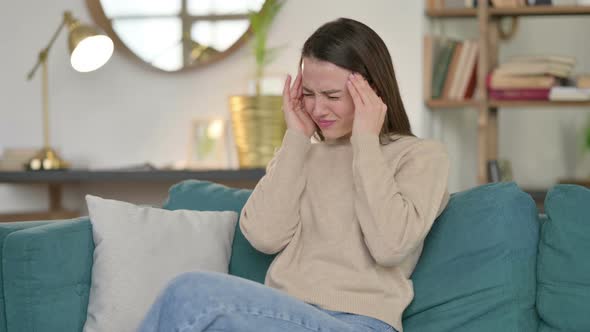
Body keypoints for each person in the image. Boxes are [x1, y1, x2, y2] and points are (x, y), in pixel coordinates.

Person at [138, 17, 450, 332]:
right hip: (283, 316)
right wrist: (297, 139)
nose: (316, 109)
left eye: (331, 95)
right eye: (310, 94)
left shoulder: (420, 156)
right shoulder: (302, 154)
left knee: (190, 292)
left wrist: (366, 142)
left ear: (372, 92)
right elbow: (264, 236)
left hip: (358, 324)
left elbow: (390, 246)